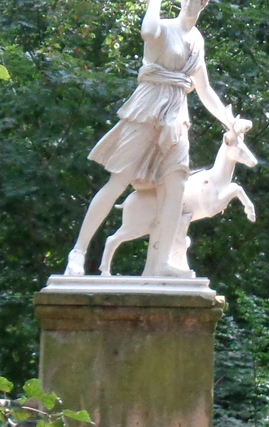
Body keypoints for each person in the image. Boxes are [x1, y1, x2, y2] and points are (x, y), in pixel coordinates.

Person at [64, 0, 250, 277]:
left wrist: (229, 121)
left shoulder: (196, 39)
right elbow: (148, 33)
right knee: (119, 180)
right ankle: (78, 253)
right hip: (148, 110)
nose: (190, 3)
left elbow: (205, 89)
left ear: (205, 3)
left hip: (177, 117)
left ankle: (160, 263)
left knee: (175, 188)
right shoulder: (162, 27)